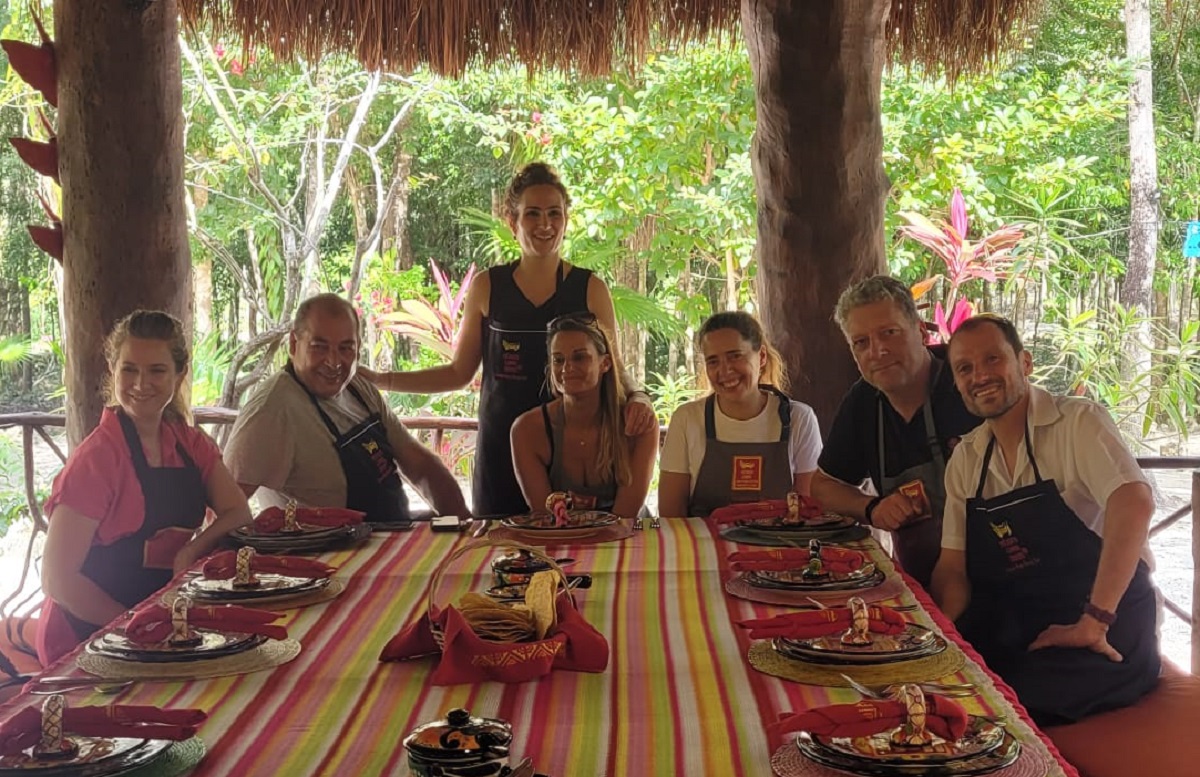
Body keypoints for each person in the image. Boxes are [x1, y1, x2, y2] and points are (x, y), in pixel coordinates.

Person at [359, 163, 656, 516]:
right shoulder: (488, 286)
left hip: (570, 454)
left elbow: (615, 368)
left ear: (566, 219)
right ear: (512, 220)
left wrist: (640, 398)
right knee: (502, 560)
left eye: (553, 213)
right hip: (501, 449)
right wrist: (382, 381)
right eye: (532, 213)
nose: (544, 224)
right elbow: (459, 372)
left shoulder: (590, 288)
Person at [930, 315, 1159, 725]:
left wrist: (1095, 620)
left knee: (996, 706)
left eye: (992, 359)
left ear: (1025, 363)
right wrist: (941, 639)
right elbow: (953, 569)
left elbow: (1134, 502)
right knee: (938, 687)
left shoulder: (1078, 423)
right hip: (1025, 622)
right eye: (965, 368)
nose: (979, 376)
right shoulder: (966, 458)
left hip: (1105, 630)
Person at [37, 311, 253, 665]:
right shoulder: (97, 458)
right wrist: (130, 627)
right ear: (112, 369)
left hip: (162, 619)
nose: (141, 383)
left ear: (179, 374)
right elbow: (57, 579)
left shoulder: (189, 443)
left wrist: (193, 549)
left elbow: (238, 512)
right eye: (129, 369)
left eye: (157, 370)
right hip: (87, 634)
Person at [224, 294, 470, 524]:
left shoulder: (357, 385)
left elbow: (420, 466)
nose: (334, 362)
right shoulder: (272, 410)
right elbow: (223, 509)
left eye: (345, 348)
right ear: (293, 344)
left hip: (386, 537)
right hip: (329, 561)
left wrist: (462, 519)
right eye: (319, 346)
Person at [811, 275, 982, 587]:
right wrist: (872, 508)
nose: (877, 351)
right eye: (861, 343)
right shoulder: (863, 401)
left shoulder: (967, 381)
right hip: (922, 584)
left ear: (920, 331)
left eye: (889, 333)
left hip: (997, 577)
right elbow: (822, 487)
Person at [658, 311, 822, 518]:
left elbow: (808, 508)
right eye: (713, 361)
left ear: (761, 357)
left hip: (778, 544)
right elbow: (671, 515)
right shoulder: (687, 419)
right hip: (704, 544)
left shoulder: (799, 418)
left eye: (735, 356)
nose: (725, 370)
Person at [510, 313, 658, 518]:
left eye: (579, 357)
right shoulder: (527, 429)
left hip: (634, 530)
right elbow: (545, 516)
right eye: (558, 359)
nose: (567, 368)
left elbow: (626, 517)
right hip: (563, 536)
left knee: (658, 532)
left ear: (605, 363)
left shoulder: (638, 423)